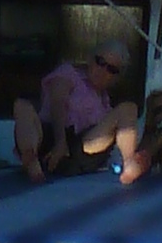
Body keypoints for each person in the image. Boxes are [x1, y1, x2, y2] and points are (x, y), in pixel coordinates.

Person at [12, 37, 135, 180]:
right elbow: (57, 103)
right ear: (90, 59)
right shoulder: (68, 73)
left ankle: (130, 165)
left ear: (116, 78)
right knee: (22, 106)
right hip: (48, 138)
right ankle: (31, 160)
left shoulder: (105, 102)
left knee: (128, 109)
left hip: (82, 148)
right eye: (100, 62)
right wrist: (60, 142)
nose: (103, 71)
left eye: (112, 69)